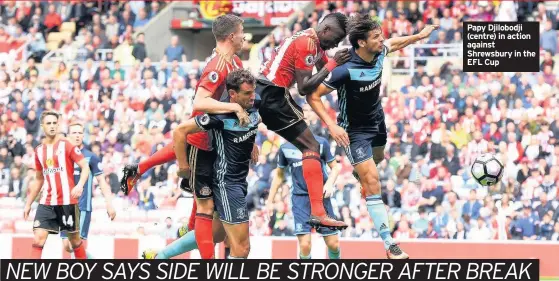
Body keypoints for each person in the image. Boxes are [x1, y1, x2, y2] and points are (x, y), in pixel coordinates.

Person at [306, 14, 439, 259]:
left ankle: (362, 175)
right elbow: (312, 96)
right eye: (376, 37)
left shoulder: (379, 53)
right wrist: (332, 127)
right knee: (373, 183)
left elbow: (396, 43)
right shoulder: (345, 70)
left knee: (377, 159)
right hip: (353, 132)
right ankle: (390, 245)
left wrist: (419, 36)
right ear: (361, 43)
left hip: (377, 122)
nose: (382, 39)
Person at [121, 14, 251, 259]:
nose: (245, 36)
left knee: (214, 224)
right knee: (207, 210)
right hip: (203, 144)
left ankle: (168, 244)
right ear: (232, 35)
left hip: (217, 145)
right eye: (242, 31)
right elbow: (199, 102)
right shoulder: (217, 67)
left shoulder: (234, 63)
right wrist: (233, 108)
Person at [257, 12, 351, 229]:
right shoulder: (308, 43)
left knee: (311, 146)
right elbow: (304, 87)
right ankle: (318, 212)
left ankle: (318, 212)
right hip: (273, 93)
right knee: (312, 145)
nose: (335, 44)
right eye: (335, 39)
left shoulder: (315, 43)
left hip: (265, 90)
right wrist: (333, 64)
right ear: (325, 30)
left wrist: (343, 68)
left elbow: (327, 69)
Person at [172, 69, 259, 259]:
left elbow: (250, 124)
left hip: (240, 181)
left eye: (253, 91)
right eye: (247, 93)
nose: (252, 97)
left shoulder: (255, 102)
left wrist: (252, 144)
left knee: (216, 234)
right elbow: (180, 131)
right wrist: (184, 167)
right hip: (227, 184)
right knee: (242, 249)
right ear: (232, 95)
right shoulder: (219, 117)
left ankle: (161, 255)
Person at [266, 104, 342, 259]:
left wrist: (329, 183)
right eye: (302, 116)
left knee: (333, 244)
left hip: (321, 198)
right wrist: (270, 200)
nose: (305, 118)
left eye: (308, 115)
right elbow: (279, 175)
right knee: (305, 246)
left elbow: (335, 168)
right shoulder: (285, 148)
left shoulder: (321, 143)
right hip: (300, 199)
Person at [23, 111, 91, 259]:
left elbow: (85, 167)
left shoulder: (67, 145)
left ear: (58, 125)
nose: (52, 126)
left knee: (74, 240)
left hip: (67, 202)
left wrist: (79, 186)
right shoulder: (39, 151)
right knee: (38, 238)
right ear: (42, 126)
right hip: (47, 202)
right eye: (49, 123)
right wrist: (28, 203)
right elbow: (39, 179)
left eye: (55, 123)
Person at [60, 122, 116, 258]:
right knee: (67, 246)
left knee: (75, 242)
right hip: (65, 206)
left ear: (83, 135)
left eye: (80, 133)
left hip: (82, 206)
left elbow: (102, 181)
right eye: (74, 133)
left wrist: (109, 203)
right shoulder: (62, 156)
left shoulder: (91, 157)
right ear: (68, 135)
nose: (77, 136)